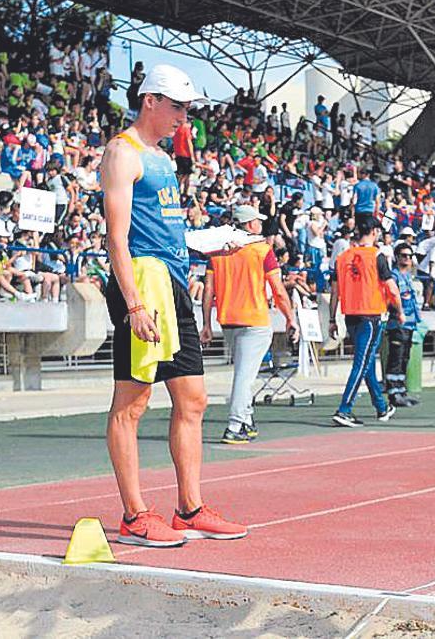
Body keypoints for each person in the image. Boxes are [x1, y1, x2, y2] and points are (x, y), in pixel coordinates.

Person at [100, 63, 246, 548]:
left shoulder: (161, 159)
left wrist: (206, 244)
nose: (185, 117)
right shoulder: (123, 152)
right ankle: (135, 516)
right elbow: (117, 238)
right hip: (144, 285)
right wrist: (134, 303)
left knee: (193, 400)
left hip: (175, 283)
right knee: (133, 403)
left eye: (187, 108)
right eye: (178, 107)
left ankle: (189, 508)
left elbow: (165, 231)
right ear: (151, 101)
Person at [199, 204, 297, 444]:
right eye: (258, 221)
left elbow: (208, 291)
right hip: (254, 320)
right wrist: (290, 318)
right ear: (251, 224)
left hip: (228, 320)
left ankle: (246, 420)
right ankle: (235, 424)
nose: (261, 225)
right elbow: (279, 290)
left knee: (243, 373)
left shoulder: (217, 252)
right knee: (244, 377)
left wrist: (206, 325)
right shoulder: (262, 251)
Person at [328, 214, 404, 427]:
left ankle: (381, 406)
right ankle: (345, 409)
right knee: (362, 362)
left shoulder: (342, 257)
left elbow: (334, 291)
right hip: (371, 314)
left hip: (350, 313)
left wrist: (332, 318)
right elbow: (391, 287)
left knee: (367, 360)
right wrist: (399, 310)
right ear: (373, 232)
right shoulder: (377, 255)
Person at [384, 242, 422, 408]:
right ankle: (393, 393)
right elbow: (391, 299)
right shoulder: (394, 276)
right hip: (397, 322)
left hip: (410, 323)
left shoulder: (408, 276)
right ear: (397, 257)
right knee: (396, 358)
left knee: (404, 358)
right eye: (404, 256)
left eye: (410, 256)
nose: (407, 259)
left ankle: (401, 390)